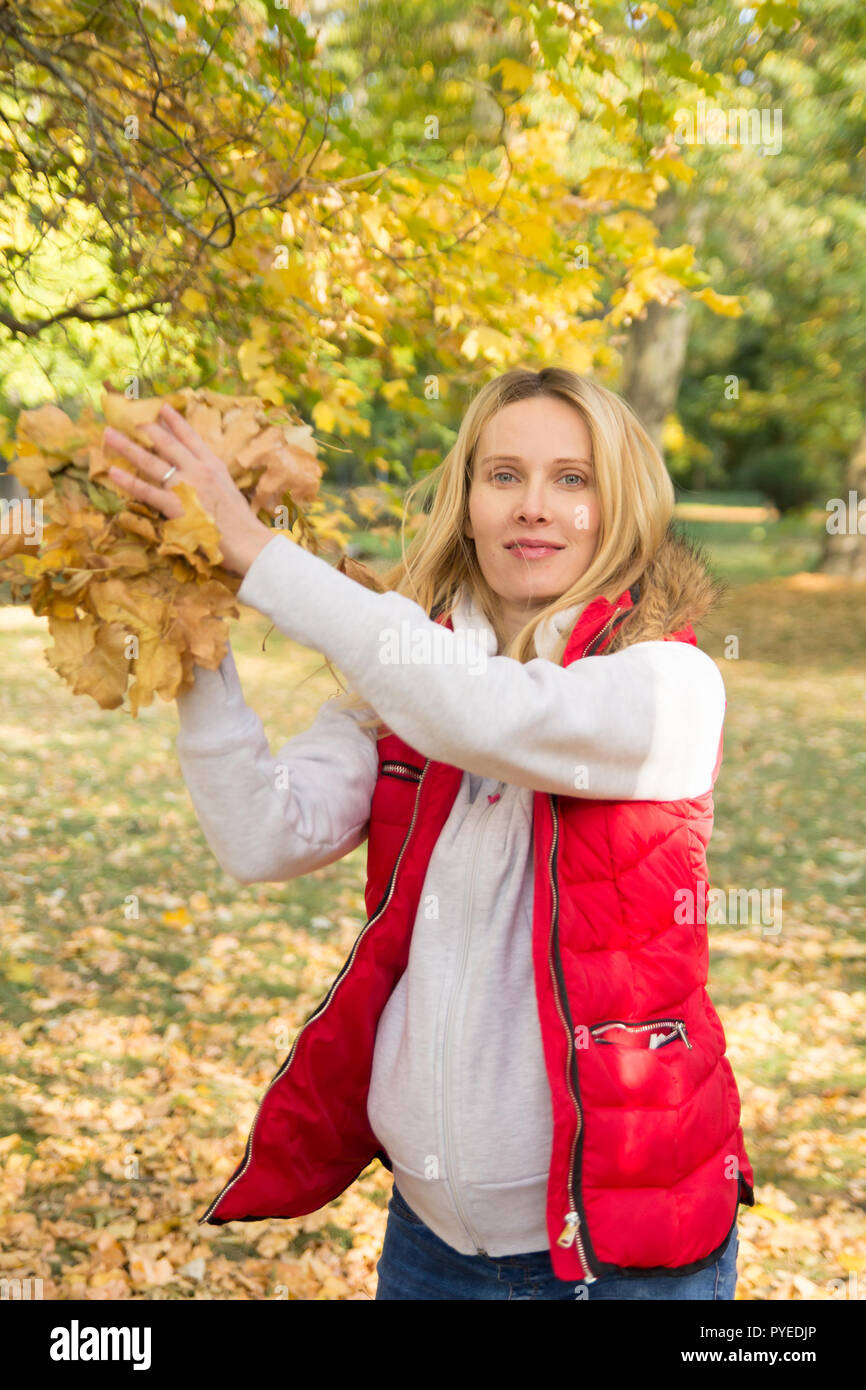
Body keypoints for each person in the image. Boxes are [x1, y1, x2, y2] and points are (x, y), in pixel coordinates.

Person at [104, 366, 755, 1300]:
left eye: (574, 479)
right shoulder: (411, 679)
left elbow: (488, 716)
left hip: (615, 1257)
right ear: (467, 502)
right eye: (504, 476)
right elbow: (262, 838)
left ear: (623, 504)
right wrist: (191, 631)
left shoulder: (666, 685)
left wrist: (260, 557)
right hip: (431, 1249)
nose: (535, 507)